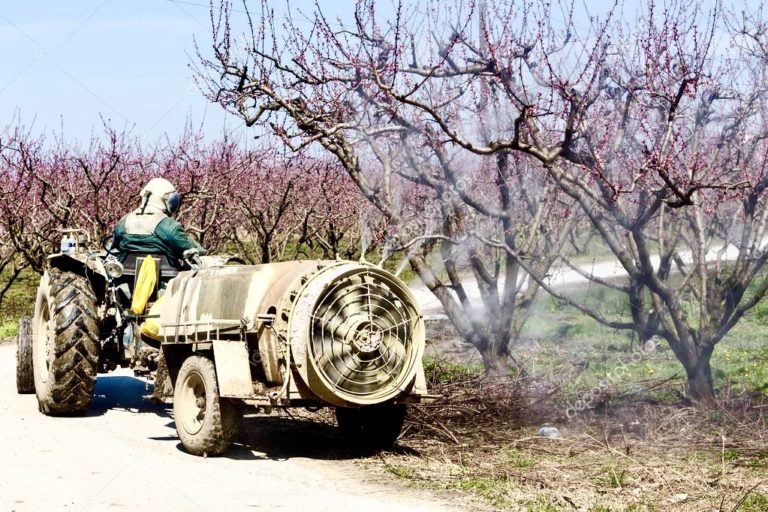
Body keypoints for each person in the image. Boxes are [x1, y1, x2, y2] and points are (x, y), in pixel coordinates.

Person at [111, 177, 205, 268]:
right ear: (164, 199)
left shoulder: (123, 221)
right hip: (165, 277)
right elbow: (190, 249)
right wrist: (201, 250)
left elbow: (115, 246)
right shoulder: (169, 225)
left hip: (125, 274)